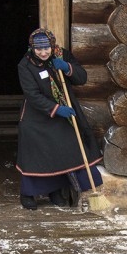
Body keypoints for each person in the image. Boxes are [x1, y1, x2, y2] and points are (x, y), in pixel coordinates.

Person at [15, 28, 103, 210]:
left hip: (64, 113)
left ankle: (55, 191)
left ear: (52, 45)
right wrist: (56, 109)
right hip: (37, 117)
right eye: (38, 49)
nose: (43, 52)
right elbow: (32, 95)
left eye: (46, 47)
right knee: (37, 155)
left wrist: (67, 68)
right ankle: (28, 193)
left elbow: (82, 78)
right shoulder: (25, 65)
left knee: (64, 151)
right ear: (32, 48)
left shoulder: (62, 55)